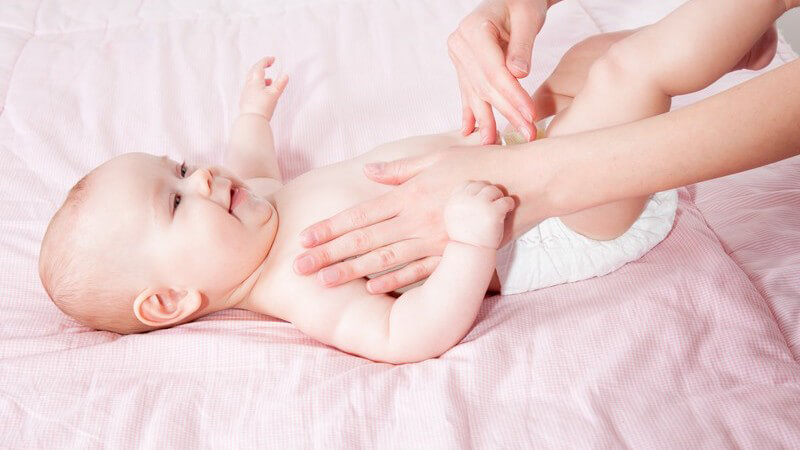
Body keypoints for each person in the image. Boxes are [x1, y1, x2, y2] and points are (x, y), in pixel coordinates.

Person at [293, 0, 800, 295]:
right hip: (560, 226)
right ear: (206, 301)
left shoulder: (263, 192)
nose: (209, 178)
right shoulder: (291, 288)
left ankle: (733, 40)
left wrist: (253, 114)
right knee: (629, 71)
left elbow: (247, 157)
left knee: (586, 63)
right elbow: (404, 334)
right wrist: (472, 243)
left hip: (529, 158)